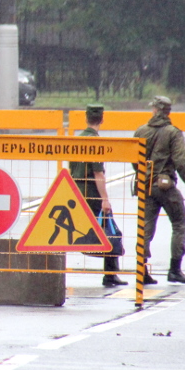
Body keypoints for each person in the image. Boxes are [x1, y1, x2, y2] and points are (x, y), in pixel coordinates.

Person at [134, 95, 185, 284]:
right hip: (165, 186)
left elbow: (133, 159)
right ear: (168, 111)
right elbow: (180, 161)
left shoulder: (140, 132)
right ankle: (175, 270)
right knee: (179, 224)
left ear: (155, 110)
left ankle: (142, 270)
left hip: (146, 186)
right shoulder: (173, 133)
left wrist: (144, 175)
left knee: (145, 228)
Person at [70, 104, 125, 287]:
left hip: (75, 190)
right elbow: (98, 174)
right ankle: (110, 274)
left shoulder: (76, 140)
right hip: (91, 191)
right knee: (108, 229)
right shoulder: (95, 142)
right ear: (102, 119)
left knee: (65, 230)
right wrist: (105, 199)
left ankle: (50, 267)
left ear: (86, 118)